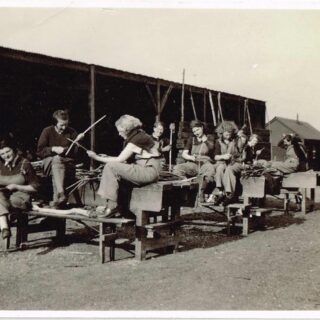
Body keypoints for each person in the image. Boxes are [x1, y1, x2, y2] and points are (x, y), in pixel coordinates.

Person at [87, 115, 160, 217]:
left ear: (126, 129)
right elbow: (123, 159)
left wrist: (95, 157)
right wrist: (107, 157)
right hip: (146, 170)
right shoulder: (138, 135)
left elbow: (119, 160)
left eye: (120, 131)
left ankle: (112, 207)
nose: (119, 134)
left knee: (110, 166)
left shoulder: (137, 139)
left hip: (148, 172)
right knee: (113, 167)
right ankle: (120, 208)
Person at [37, 110, 84, 207]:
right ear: (55, 123)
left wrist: (78, 143)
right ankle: (61, 194)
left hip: (67, 163)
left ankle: (58, 199)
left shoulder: (72, 132)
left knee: (57, 163)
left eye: (66, 124)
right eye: (61, 125)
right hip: (48, 163)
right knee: (56, 160)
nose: (64, 127)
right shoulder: (47, 131)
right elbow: (40, 151)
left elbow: (75, 154)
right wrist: (53, 149)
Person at [0, 135, 40, 239]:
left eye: (8, 152)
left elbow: (35, 187)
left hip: (21, 198)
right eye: (2, 154)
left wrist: (16, 186)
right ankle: (5, 228)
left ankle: (4, 227)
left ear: (14, 150)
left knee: (10, 201)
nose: (6, 156)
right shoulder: (0, 166)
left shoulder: (24, 163)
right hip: (4, 198)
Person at [173, 120, 215, 202]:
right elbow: (184, 154)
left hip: (205, 163)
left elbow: (211, 148)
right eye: (194, 131)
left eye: (197, 130)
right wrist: (191, 157)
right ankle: (187, 189)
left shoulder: (209, 137)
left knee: (210, 171)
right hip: (193, 163)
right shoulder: (191, 139)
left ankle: (201, 192)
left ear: (202, 128)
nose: (196, 133)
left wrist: (205, 140)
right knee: (177, 168)